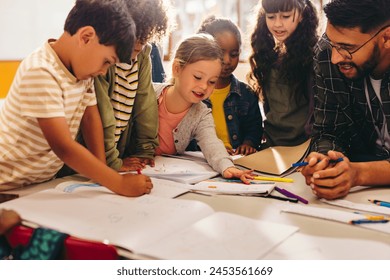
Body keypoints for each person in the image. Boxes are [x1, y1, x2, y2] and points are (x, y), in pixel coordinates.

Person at [0, 0, 152, 197]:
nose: (103, 71)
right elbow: (64, 147)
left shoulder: (80, 72)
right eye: (106, 61)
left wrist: (102, 171)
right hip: (6, 185)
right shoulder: (41, 71)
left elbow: (90, 118)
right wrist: (118, 183)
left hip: (35, 185)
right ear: (86, 37)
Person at [301, 0, 390, 200]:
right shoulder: (326, 53)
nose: (335, 58)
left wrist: (359, 173)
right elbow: (329, 131)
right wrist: (325, 161)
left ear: (387, 38)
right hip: (360, 196)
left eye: (346, 47)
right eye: (332, 43)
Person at [154, 34, 253, 182]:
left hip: (162, 178)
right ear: (177, 69)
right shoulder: (148, 94)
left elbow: (212, 144)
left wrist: (227, 167)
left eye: (212, 81)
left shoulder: (201, 114)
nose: (204, 86)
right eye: (198, 77)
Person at [92, 0, 172, 172]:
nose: (138, 46)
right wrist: (112, 162)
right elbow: (102, 116)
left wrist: (145, 149)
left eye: (143, 39)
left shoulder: (142, 56)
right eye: (134, 37)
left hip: (116, 153)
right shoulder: (103, 61)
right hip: (92, 157)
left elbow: (146, 103)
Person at [248, 0, 319, 149]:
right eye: (271, 17)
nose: (277, 24)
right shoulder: (268, 54)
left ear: (302, 15)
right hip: (271, 145)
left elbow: (316, 115)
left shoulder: (312, 57)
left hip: (303, 147)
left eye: (286, 16)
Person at [193, 15, 263, 156]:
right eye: (220, 53)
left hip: (237, 161)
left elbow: (254, 129)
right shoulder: (193, 92)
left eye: (234, 54)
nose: (227, 60)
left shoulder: (247, 94)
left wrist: (248, 144)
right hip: (201, 160)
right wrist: (213, 149)